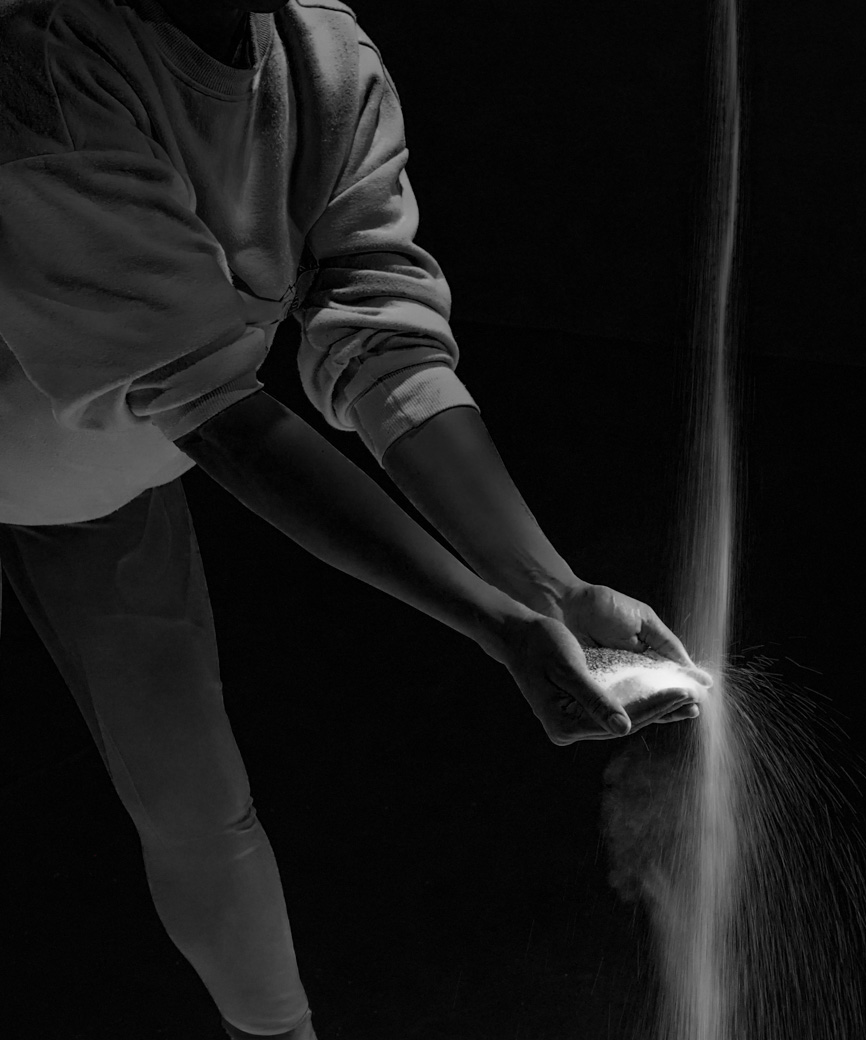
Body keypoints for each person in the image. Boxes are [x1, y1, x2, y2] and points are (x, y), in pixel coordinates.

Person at [0, 1, 710, 1036]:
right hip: (100, 438)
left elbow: (385, 347)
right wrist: (494, 624)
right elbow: (220, 413)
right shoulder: (54, 63)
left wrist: (547, 585)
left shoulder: (322, 58)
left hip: (99, 485)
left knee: (197, 795)